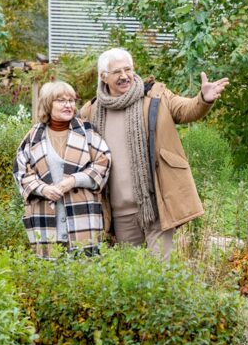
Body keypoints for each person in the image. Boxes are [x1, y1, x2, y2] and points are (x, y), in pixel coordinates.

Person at [79, 47, 229, 260]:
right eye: (117, 72)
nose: (124, 76)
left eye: (128, 70)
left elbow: (185, 110)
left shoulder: (155, 97)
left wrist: (203, 99)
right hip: (120, 212)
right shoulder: (92, 111)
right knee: (130, 277)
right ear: (103, 77)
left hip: (155, 204)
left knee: (161, 271)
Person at [13, 80, 111, 258]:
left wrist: (74, 180)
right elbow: (21, 172)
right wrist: (43, 189)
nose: (69, 105)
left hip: (83, 218)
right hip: (46, 218)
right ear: (47, 104)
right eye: (61, 100)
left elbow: (103, 163)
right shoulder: (34, 136)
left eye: (71, 100)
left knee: (85, 273)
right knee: (51, 278)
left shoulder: (86, 132)